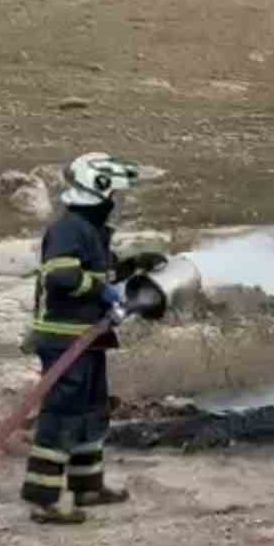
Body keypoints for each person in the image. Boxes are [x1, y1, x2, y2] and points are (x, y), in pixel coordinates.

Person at [21, 152, 168, 525]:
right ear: (99, 190)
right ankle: (45, 498)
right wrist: (102, 291)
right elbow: (62, 277)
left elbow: (98, 272)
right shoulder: (70, 228)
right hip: (64, 338)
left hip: (88, 339)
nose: (115, 203)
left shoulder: (91, 231)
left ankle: (87, 486)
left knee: (91, 412)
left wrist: (133, 265)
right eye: (113, 194)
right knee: (61, 414)